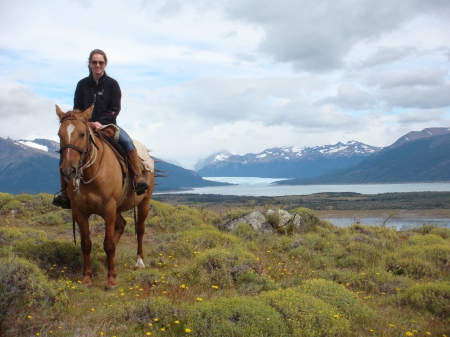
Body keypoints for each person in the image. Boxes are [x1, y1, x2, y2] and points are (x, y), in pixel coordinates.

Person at [53, 49, 149, 208]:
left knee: (127, 143)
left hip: (108, 124)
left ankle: (138, 177)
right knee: (67, 151)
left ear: (105, 64)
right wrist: (82, 121)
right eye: (94, 62)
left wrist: (101, 122)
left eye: (101, 62)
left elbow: (115, 109)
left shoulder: (112, 84)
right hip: (84, 126)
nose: (97, 65)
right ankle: (65, 192)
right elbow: (77, 107)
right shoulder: (82, 84)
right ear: (89, 64)